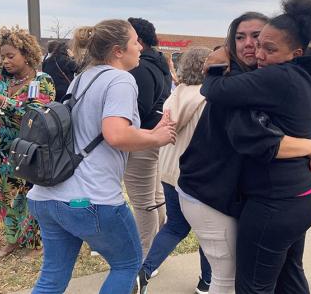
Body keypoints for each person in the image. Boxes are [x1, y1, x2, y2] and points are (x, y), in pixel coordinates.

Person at [177, 10, 311, 294]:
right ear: (229, 44)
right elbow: (261, 140)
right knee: (246, 275)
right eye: (240, 37)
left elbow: (270, 135)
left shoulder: (259, 81)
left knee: (257, 282)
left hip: (269, 199)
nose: (252, 46)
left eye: (259, 39)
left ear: (291, 50)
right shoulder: (243, 86)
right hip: (210, 193)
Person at [26, 19, 177, 294]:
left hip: (48, 196)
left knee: (52, 278)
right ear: (118, 50)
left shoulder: (83, 78)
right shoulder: (120, 79)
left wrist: (148, 132)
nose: (140, 48)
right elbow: (116, 134)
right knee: (127, 264)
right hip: (91, 198)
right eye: (135, 42)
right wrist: (156, 137)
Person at [135, 47, 213, 294]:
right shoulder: (207, 98)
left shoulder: (175, 94)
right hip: (196, 173)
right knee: (207, 230)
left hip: (169, 170)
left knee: (175, 226)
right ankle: (207, 282)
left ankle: (144, 271)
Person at [0, 26, 55, 258]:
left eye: (11, 56)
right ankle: (12, 239)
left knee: (28, 194)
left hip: (27, 148)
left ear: (27, 54)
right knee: (3, 194)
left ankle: (35, 242)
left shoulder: (42, 81)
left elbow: (38, 113)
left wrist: (3, 101)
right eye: (2, 55)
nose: (5, 61)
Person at [123, 17, 172, 258]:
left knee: (143, 201)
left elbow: (138, 109)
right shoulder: (160, 63)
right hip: (154, 137)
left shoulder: (141, 68)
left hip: (143, 139)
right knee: (154, 196)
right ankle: (156, 245)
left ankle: (145, 253)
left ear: (139, 40)